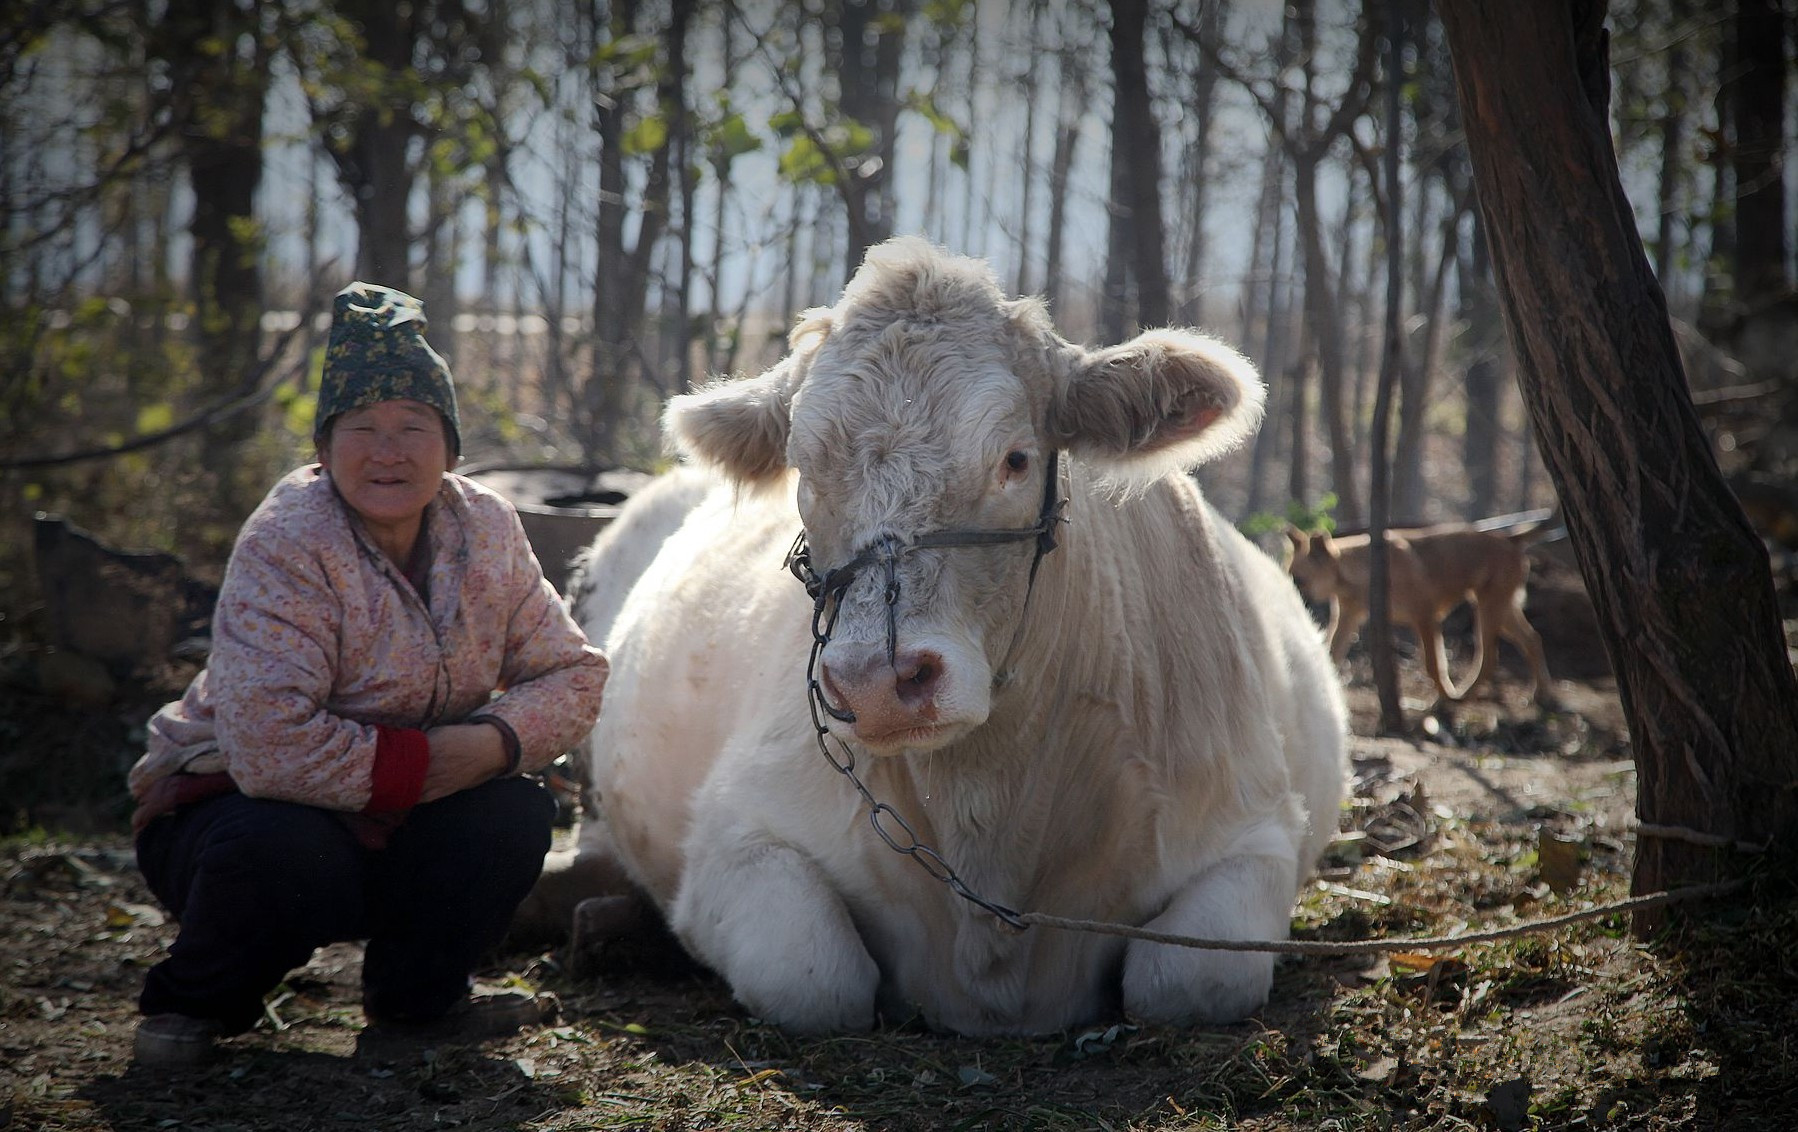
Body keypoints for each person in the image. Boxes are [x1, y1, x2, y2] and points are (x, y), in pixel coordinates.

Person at [126, 282, 608, 1067]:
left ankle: (419, 1006)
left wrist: (489, 745)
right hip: (236, 813)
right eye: (363, 427)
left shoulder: (482, 526)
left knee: (512, 815)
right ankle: (194, 1003)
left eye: (414, 427)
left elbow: (574, 673)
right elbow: (267, 746)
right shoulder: (287, 540)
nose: (389, 451)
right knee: (279, 846)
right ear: (322, 449)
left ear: (450, 449)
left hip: (403, 819)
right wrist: (424, 765)